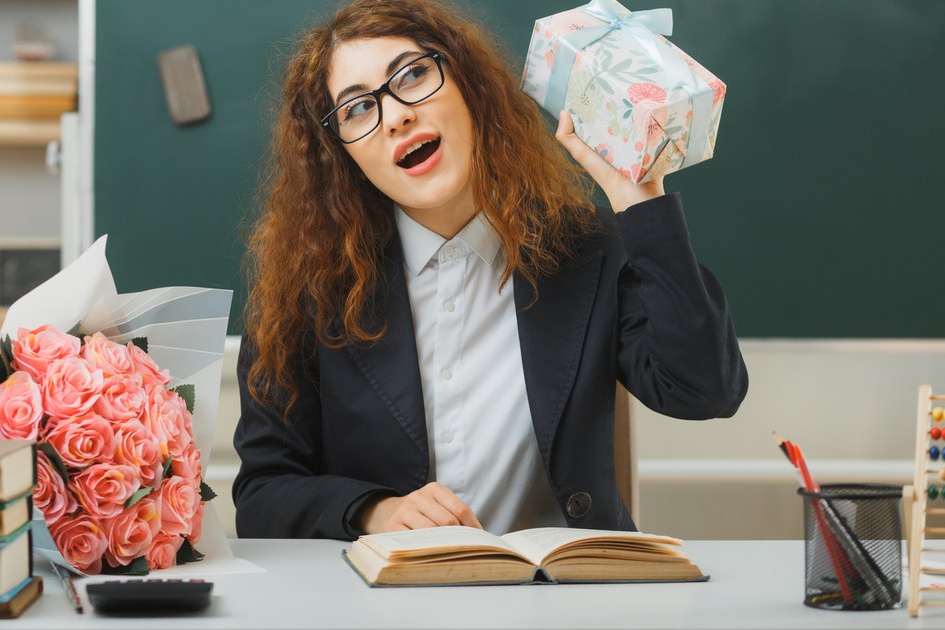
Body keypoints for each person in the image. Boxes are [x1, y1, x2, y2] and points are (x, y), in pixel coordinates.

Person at [232, 0, 747, 539]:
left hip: (562, 602)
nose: (396, 115)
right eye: (358, 109)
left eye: (412, 75)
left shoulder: (589, 250)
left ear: (468, 84)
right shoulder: (308, 290)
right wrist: (373, 512)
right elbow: (263, 494)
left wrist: (639, 201)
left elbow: (705, 390)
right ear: (342, 155)